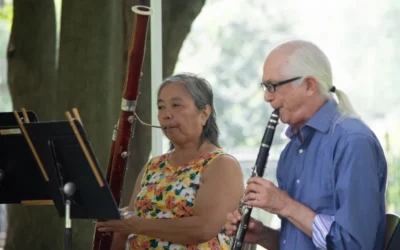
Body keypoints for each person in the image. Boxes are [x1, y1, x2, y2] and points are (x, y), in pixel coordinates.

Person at [224, 40, 387, 250]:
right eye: (265, 87)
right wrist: (263, 236)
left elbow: (354, 245)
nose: (267, 97)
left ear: (309, 85)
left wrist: (284, 205)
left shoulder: (353, 142)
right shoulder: (290, 152)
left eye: (273, 86)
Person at [97, 73, 245, 250]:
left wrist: (136, 225)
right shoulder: (153, 166)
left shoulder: (222, 165)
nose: (166, 114)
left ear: (204, 113)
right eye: (161, 107)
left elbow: (204, 229)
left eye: (176, 105)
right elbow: (126, 226)